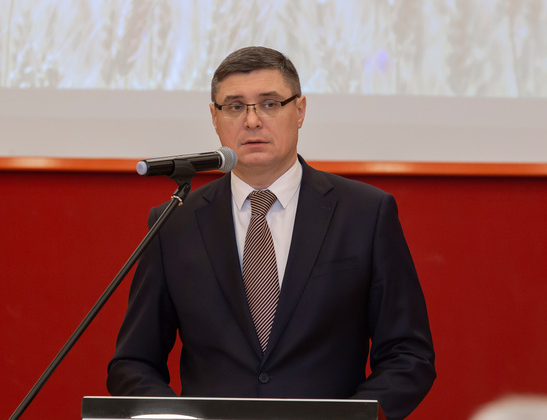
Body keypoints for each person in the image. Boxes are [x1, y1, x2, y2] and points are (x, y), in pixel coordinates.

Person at [107, 46, 436, 420]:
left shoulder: (365, 213)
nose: (251, 121)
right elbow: (132, 363)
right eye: (235, 106)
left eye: (269, 104)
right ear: (214, 117)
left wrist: (353, 417)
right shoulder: (175, 222)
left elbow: (408, 355)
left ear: (300, 110)